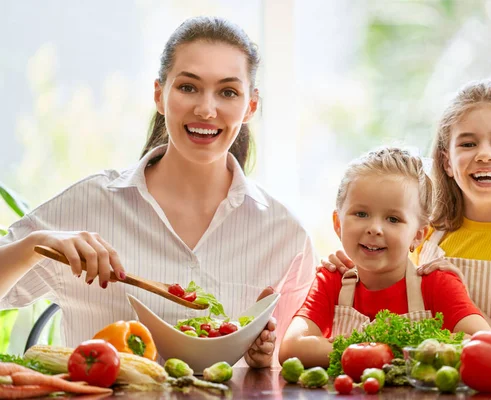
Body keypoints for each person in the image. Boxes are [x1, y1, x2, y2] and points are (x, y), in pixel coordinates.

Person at [0, 16, 317, 368]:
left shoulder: (286, 236)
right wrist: (34, 245)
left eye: (228, 92)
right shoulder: (88, 204)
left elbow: (287, 367)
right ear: (159, 95)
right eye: (188, 87)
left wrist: (266, 356)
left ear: (250, 107)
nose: (206, 109)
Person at [320, 80, 491, 338]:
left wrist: (463, 305)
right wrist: (351, 269)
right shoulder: (425, 236)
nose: (485, 155)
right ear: (446, 162)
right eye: (467, 144)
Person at [279, 147, 490, 368]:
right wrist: (386, 353)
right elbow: (291, 348)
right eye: (361, 214)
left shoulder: (437, 284)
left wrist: (364, 352)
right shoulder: (331, 281)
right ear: (338, 224)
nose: (375, 229)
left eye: (393, 219)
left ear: (418, 235)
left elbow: (482, 344)